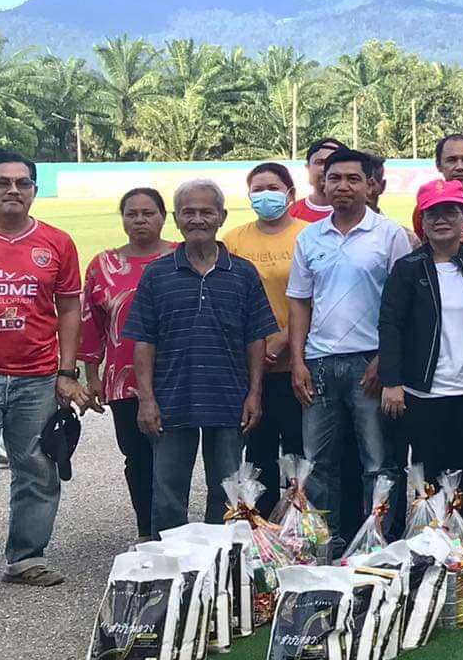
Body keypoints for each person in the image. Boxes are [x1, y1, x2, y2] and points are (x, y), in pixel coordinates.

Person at [0, 148, 90, 599]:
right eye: (3, 183)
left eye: (23, 183)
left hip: (38, 374)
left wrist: (66, 370)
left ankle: (26, 557)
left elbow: (70, 307)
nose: (14, 190)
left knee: (38, 466)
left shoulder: (56, 242)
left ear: (34, 190)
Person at [124, 180, 276, 532]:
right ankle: (173, 561)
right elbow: (144, 342)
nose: (197, 219)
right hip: (172, 397)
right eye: (188, 212)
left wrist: (254, 393)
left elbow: (256, 339)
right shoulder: (157, 274)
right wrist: (146, 399)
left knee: (224, 491)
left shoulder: (243, 272)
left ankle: (218, 561)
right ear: (176, 219)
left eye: (206, 211)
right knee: (167, 491)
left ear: (221, 216)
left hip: (228, 397)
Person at [285, 146, 413, 545]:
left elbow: (402, 306)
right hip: (320, 364)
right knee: (318, 463)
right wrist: (298, 361)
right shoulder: (309, 237)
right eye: (335, 178)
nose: (343, 186)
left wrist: (385, 359)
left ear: (370, 185)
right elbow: (300, 302)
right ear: (322, 183)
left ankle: (378, 543)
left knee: (378, 463)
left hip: (369, 366)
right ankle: (327, 542)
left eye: (353, 179)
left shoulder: (389, 235)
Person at [378, 179, 463, 499]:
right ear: (422, 222)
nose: (441, 220)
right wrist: (392, 380)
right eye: (432, 214)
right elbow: (390, 325)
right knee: (432, 470)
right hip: (423, 391)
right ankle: (436, 537)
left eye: (450, 212)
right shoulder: (407, 269)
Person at [81, 188, 173, 539]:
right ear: (122, 219)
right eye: (131, 213)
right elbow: (91, 324)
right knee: (137, 458)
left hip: (178, 373)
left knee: (175, 458)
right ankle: (147, 531)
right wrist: (93, 375)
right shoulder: (103, 266)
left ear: (163, 217)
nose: (139, 220)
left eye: (148, 213)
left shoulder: (181, 257)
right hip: (124, 378)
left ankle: (178, 529)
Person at [224, 162, 306, 512]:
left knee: (300, 448)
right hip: (251, 366)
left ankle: (301, 519)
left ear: (290, 193)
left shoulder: (309, 234)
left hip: (297, 362)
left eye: (273, 188)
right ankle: (262, 519)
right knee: (257, 449)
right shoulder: (233, 239)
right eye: (257, 189)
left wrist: (284, 339)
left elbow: (316, 298)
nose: (264, 195)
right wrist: (256, 347)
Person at [289, 138, 342, 223]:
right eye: (320, 162)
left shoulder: (360, 213)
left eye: (333, 162)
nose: (326, 168)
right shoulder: (291, 213)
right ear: (308, 167)